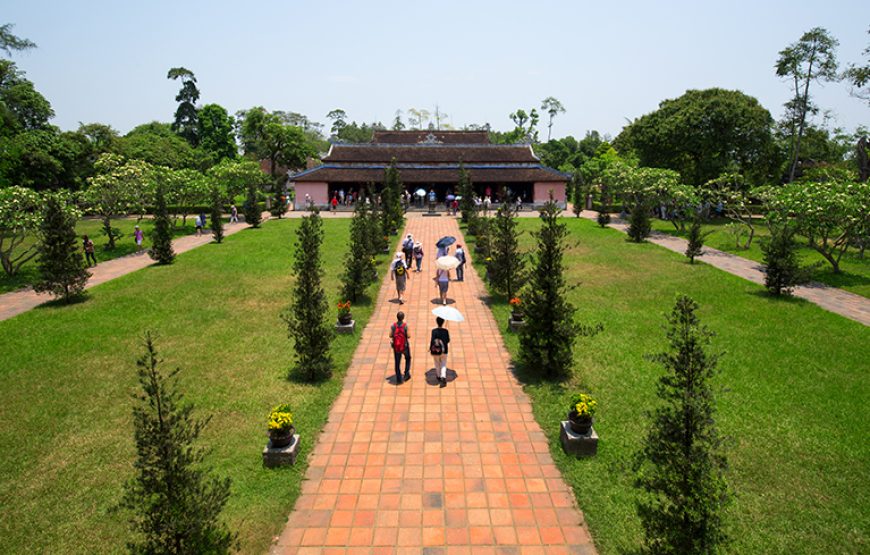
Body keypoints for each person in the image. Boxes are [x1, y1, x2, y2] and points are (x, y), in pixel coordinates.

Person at [389, 311, 412, 384]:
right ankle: (406, 374)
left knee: (397, 362)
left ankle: (398, 377)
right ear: (403, 318)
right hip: (404, 346)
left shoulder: (393, 325)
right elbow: (408, 336)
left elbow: (390, 335)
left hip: (396, 347)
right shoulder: (405, 325)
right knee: (408, 358)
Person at [430, 316, 451, 388]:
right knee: (443, 364)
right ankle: (443, 377)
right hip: (444, 350)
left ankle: (438, 376)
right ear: (443, 322)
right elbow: (448, 340)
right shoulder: (446, 331)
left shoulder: (433, 331)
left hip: (435, 350)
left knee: (437, 363)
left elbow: (432, 341)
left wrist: (430, 348)